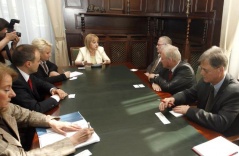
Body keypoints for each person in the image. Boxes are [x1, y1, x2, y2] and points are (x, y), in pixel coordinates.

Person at [0, 63, 94, 155]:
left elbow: (28, 115)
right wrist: (72, 141)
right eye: (6, 89)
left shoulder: (5, 107)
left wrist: (51, 122)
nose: (13, 94)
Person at [159, 46, 239, 137]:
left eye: (205, 70)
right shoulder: (205, 81)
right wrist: (173, 99)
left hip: (221, 137)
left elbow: (220, 123)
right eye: (201, 69)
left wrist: (190, 111)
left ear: (220, 70)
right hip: (202, 127)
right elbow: (189, 93)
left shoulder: (235, 91)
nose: (201, 73)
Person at [10, 44, 68, 113]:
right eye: (38, 61)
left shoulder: (23, 70)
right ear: (28, 64)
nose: (40, 63)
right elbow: (36, 108)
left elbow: (40, 82)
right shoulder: (14, 80)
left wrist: (53, 89)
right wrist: (57, 97)